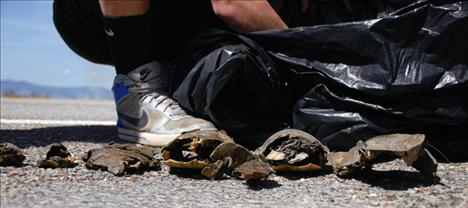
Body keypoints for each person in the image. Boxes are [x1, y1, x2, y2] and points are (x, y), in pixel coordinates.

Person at [96, 0, 288, 146]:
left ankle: (177, 85)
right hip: (102, 22)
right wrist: (300, 53)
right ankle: (135, 88)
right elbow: (231, 4)